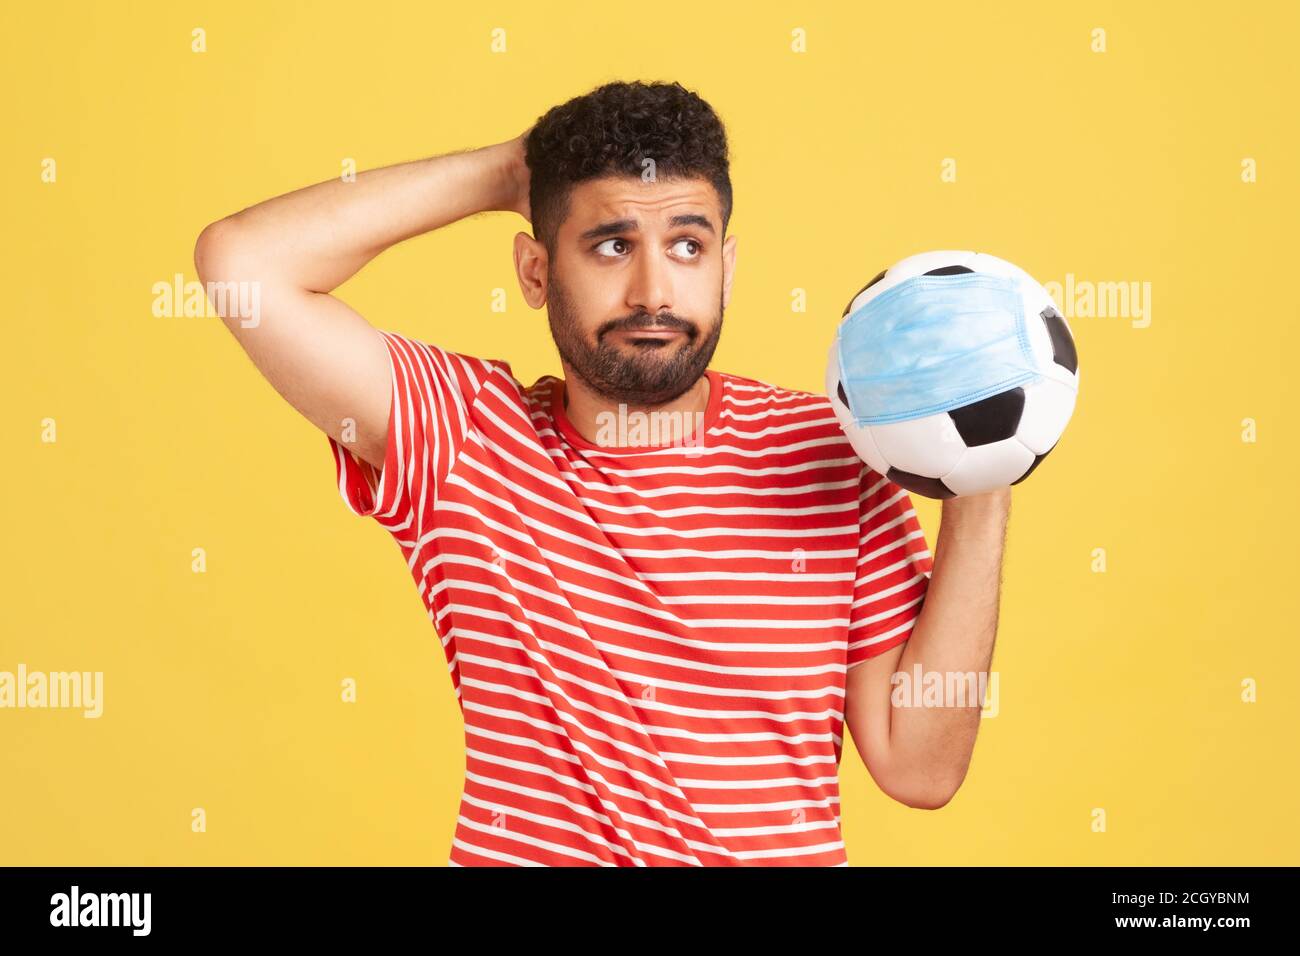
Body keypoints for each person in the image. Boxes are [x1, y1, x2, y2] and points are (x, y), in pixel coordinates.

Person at [194, 79, 1009, 866]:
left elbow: (920, 769)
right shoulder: (464, 438)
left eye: (686, 246)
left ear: (725, 266)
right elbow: (242, 263)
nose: (654, 291)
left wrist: (986, 474)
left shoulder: (833, 451)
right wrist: (513, 171)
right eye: (613, 244)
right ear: (536, 272)